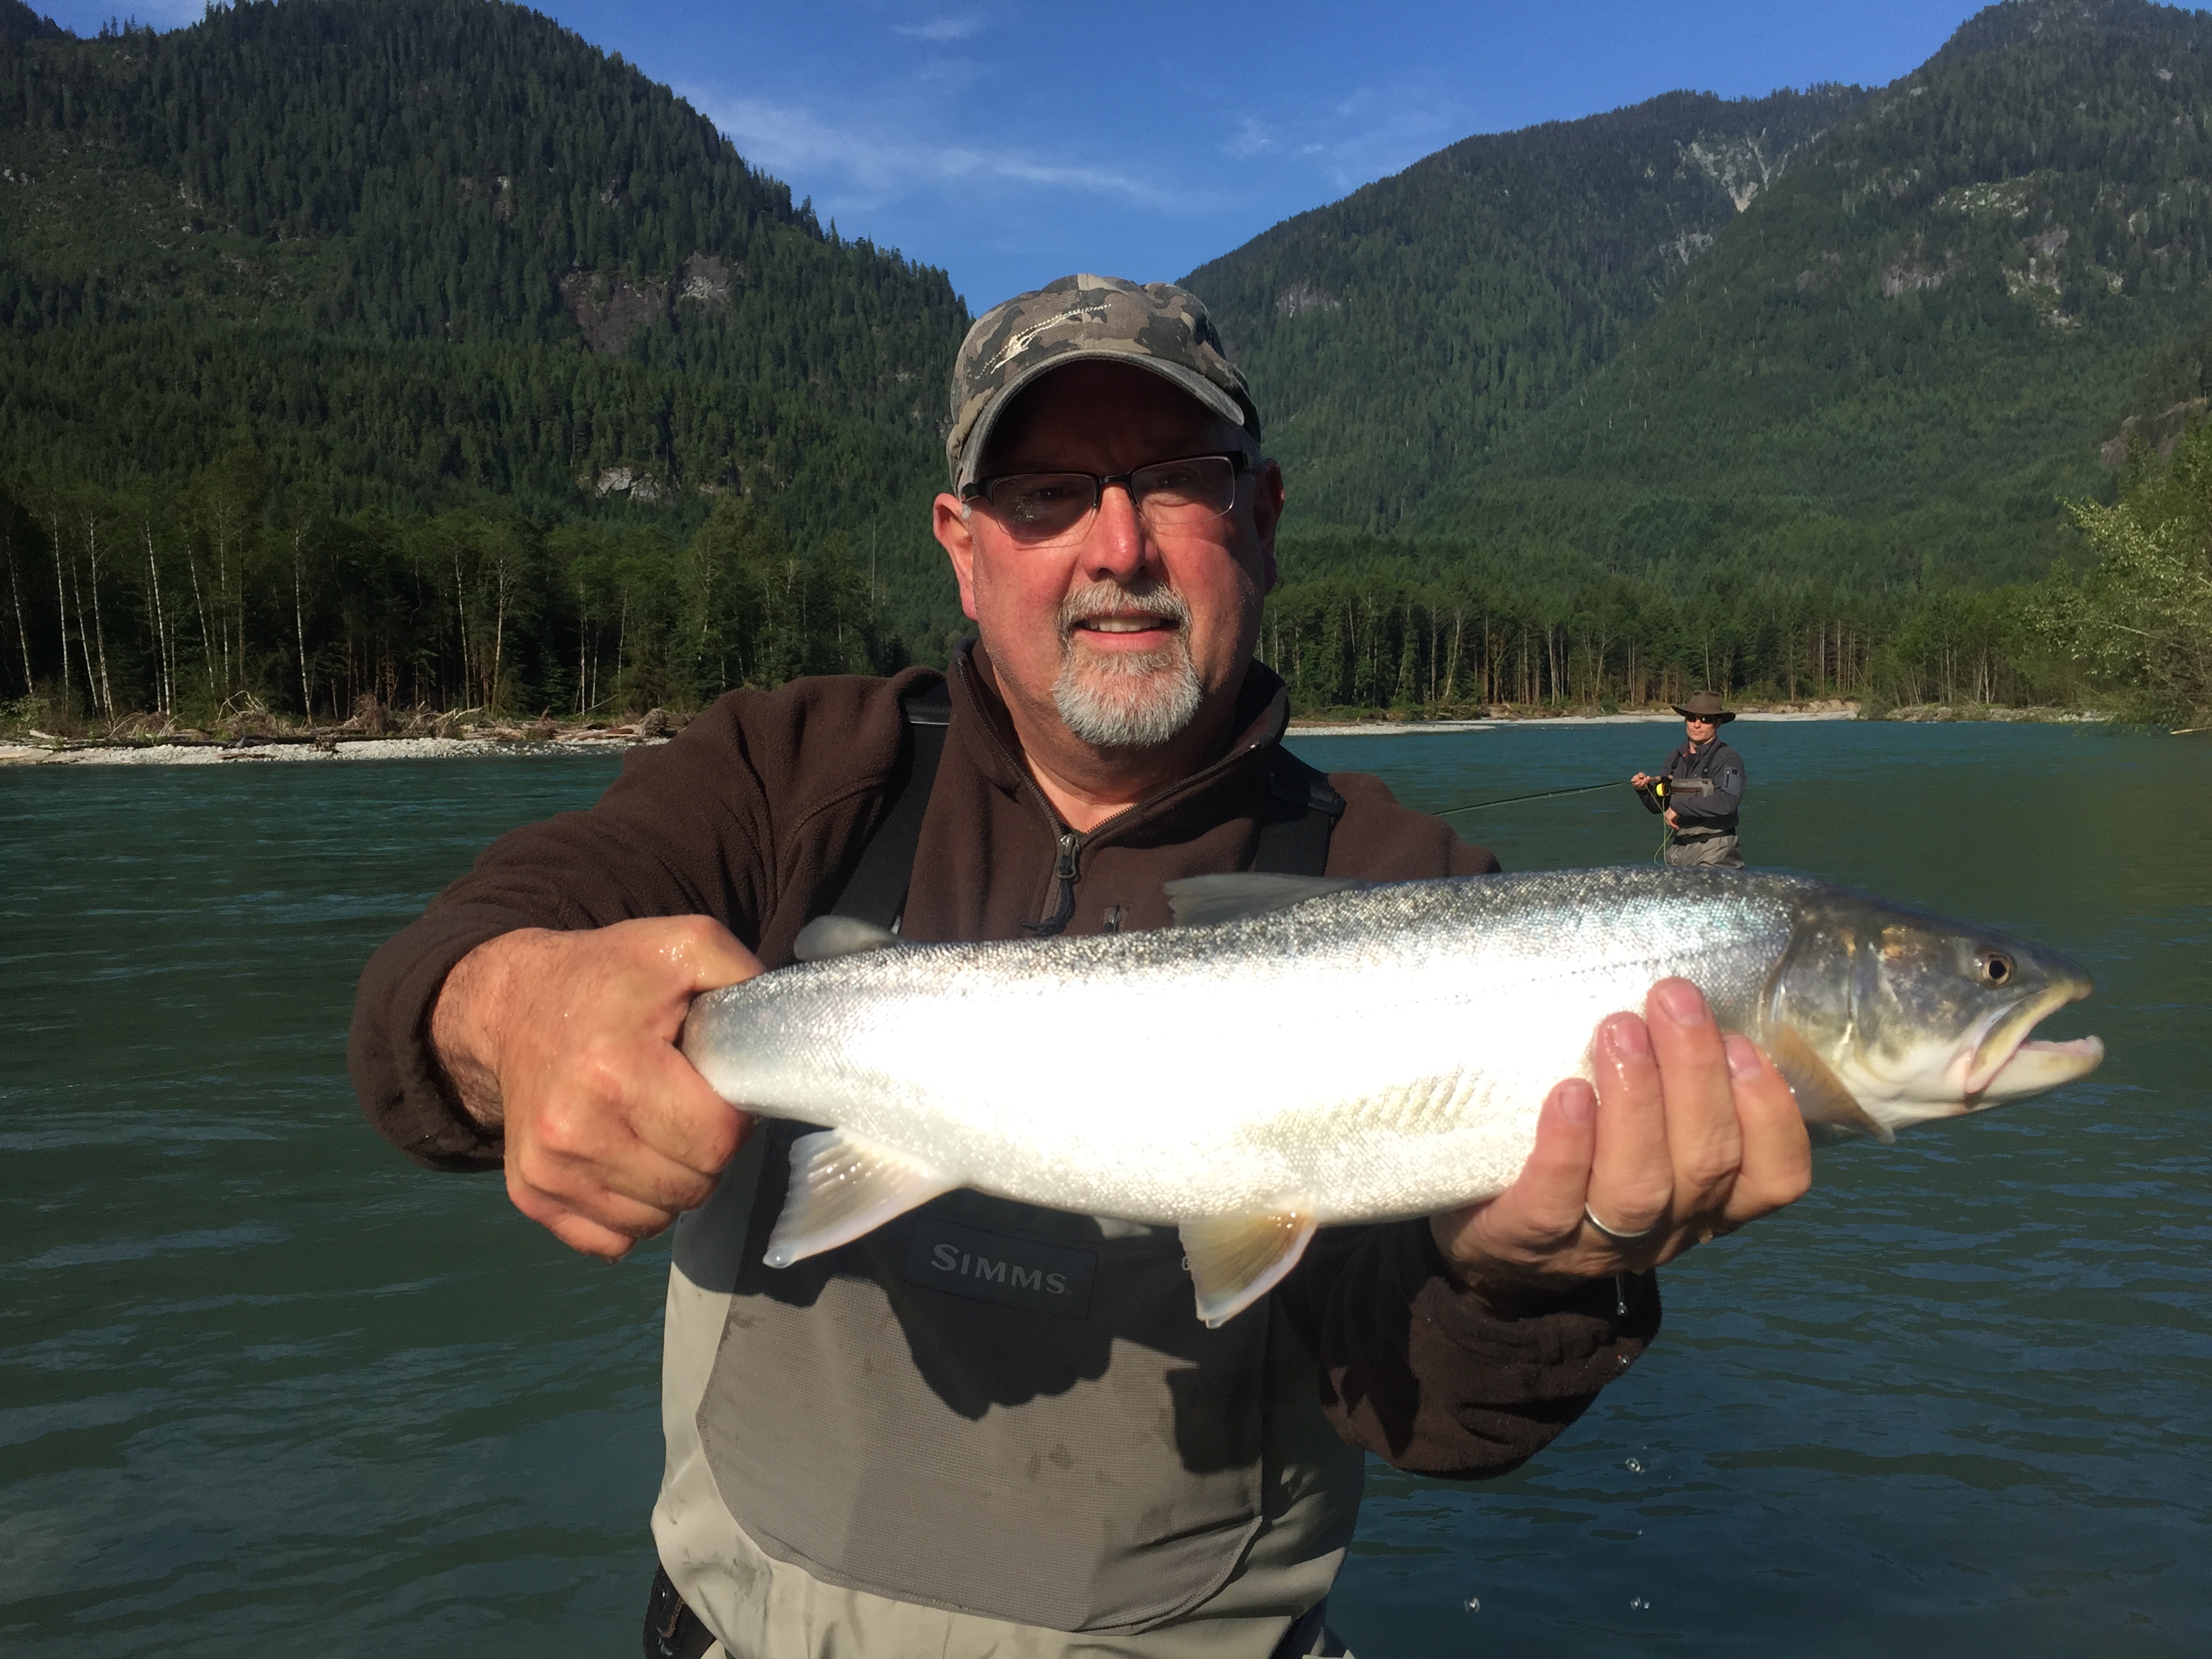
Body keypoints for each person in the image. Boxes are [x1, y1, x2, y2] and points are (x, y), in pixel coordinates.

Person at [349, 275, 1811, 1659]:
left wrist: (1527, 1275)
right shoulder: (788, 772)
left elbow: (1441, 1419)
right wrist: (518, 1006)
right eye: (1046, 494)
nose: (1118, 546)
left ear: (1264, 518)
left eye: (1176, 478)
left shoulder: (1407, 896)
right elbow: (435, 993)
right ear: (962, 545)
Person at [1633, 691, 1748, 867]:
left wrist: (1679, 807)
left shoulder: (1728, 759)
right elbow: (1660, 807)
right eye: (1692, 718)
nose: (1697, 725)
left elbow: (1727, 802)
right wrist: (1643, 790)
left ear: (1717, 723)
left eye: (1705, 720)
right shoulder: (1674, 757)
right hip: (1678, 851)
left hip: (1715, 851)